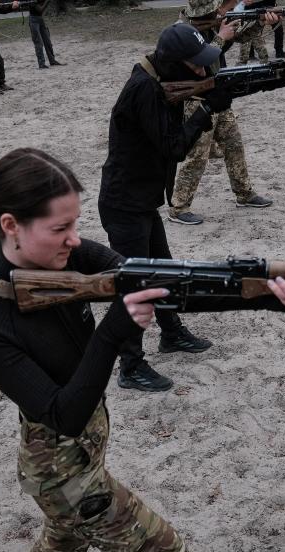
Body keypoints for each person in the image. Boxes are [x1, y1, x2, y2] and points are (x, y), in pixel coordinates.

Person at [0, 147, 285, 552]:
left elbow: (168, 288)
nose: (75, 238)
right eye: (61, 227)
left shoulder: (69, 259)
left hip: (86, 452)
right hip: (63, 476)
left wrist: (270, 300)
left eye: (75, 223)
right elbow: (64, 414)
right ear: (11, 226)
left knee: (62, 540)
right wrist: (114, 330)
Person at [98, 22, 235, 392]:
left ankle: (171, 333)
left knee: (164, 270)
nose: (203, 71)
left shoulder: (156, 78)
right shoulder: (143, 88)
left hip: (141, 200)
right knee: (135, 286)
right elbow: (174, 147)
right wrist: (205, 110)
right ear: (174, 63)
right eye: (195, 66)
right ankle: (130, 366)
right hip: (124, 204)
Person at [169, 0, 281, 225]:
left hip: (218, 95)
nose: (225, 10)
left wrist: (259, 23)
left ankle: (244, 193)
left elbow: (240, 37)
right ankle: (179, 207)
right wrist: (221, 35)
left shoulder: (212, 23)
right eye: (220, 8)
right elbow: (202, 58)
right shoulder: (182, 31)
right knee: (197, 157)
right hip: (196, 101)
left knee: (234, 145)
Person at [26, 0, 64, 69]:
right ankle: (41, 64)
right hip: (33, 20)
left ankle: (52, 60)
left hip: (40, 19)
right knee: (38, 43)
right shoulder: (31, 1)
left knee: (47, 41)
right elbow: (40, 10)